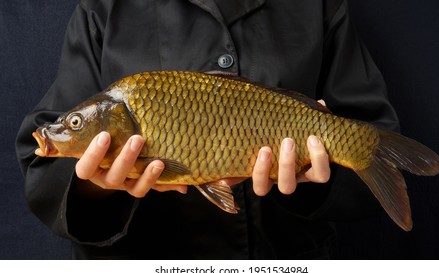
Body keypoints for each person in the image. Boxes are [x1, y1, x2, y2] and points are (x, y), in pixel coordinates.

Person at [16, 0, 399, 259]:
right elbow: (43, 168)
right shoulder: (103, 8)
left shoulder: (319, 5)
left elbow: (369, 130)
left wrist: (315, 184)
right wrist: (95, 188)